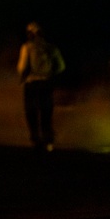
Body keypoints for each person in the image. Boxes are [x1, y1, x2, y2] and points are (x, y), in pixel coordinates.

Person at [16, 21, 66, 152]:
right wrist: (51, 74)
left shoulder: (27, 47)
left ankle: (35, 139)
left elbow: (21, 67)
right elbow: (61, 66)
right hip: (46, 83)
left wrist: (22, 76)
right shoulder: (51, 48)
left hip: (31, 84)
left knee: (31, 112)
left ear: (31, 33)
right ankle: (48, 141)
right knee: (46, 113)